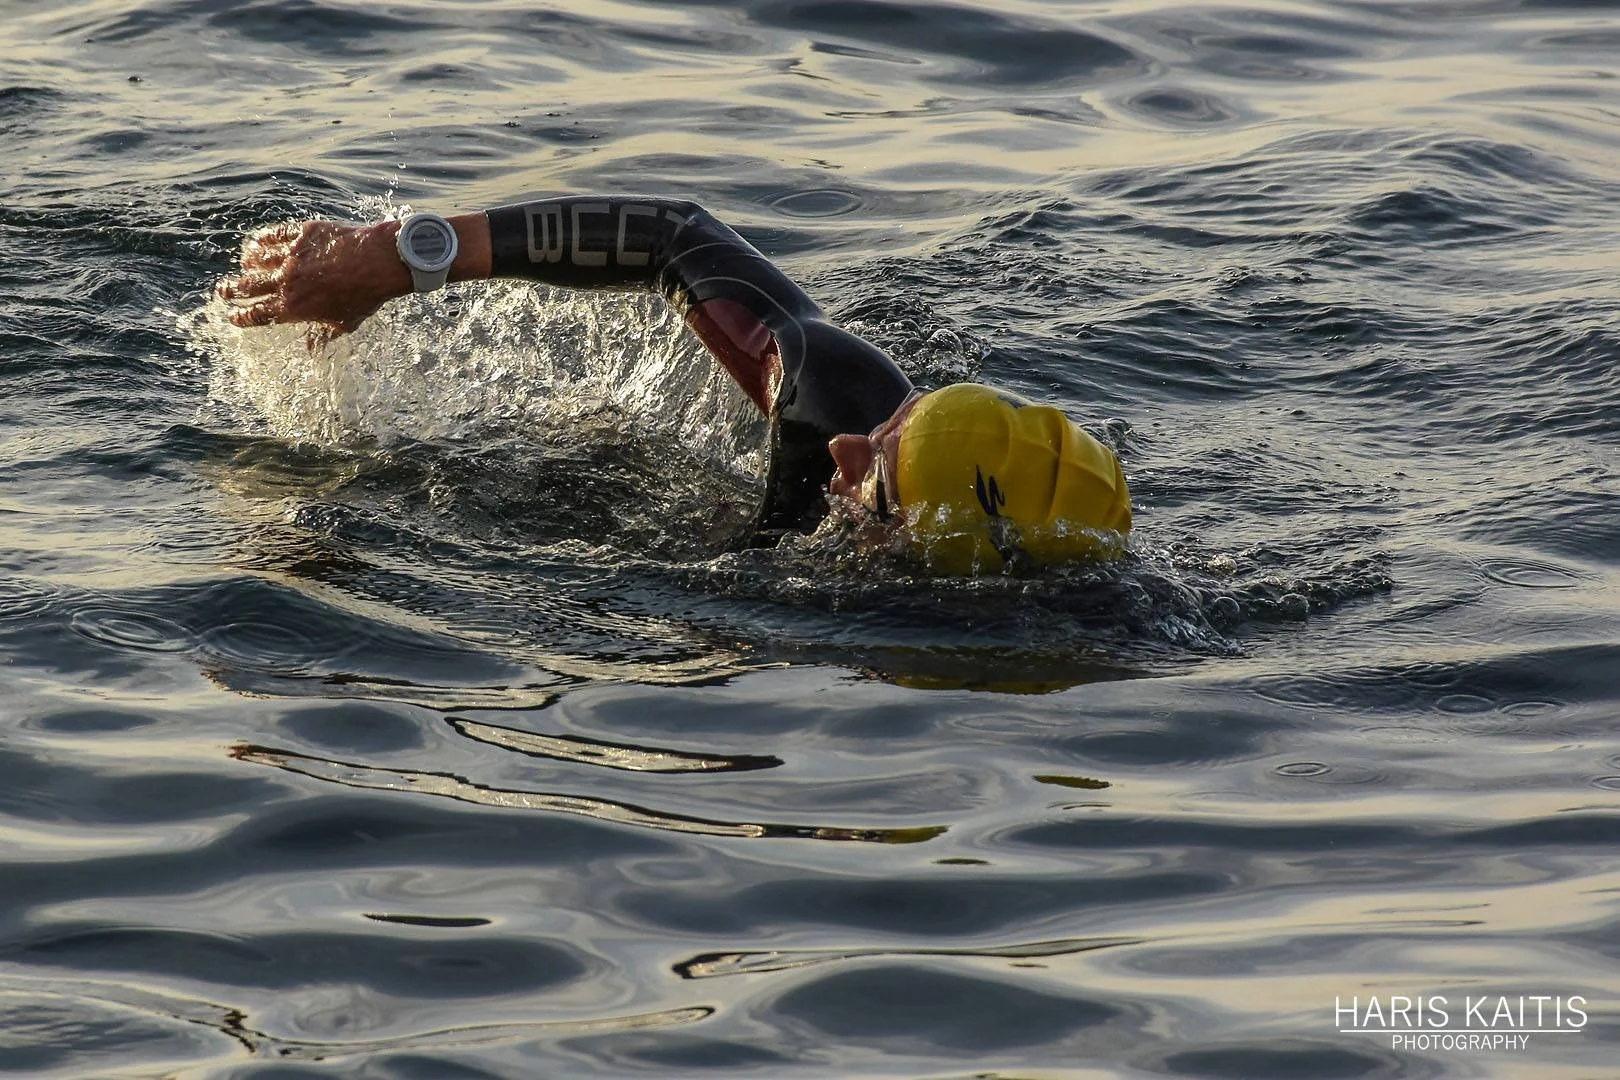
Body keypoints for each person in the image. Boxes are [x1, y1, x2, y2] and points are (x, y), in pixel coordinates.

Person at [218, 196, 1132, 574]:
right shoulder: (835, 396)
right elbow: (676, 239)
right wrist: (405, 255)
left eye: (878, 480)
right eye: (900, 423)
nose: (849, 448)